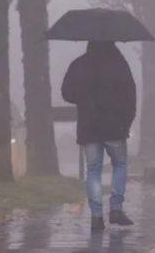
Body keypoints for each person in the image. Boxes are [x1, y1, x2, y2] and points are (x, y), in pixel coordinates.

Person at [62, 41, 137, 232]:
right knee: (119, 164)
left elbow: (66, 93)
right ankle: (116, 208)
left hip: (89, 126)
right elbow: (130, 94)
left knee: (93, 169)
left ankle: (96, 217)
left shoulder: (79, 64)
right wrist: (127, 121)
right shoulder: (119, 64)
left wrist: (84, 96)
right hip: (115, 126)